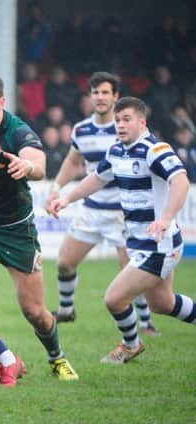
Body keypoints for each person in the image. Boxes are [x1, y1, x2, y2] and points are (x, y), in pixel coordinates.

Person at [0, 69, 78, 381]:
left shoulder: (16, 130)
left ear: (1, 102)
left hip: (15, 229)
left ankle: (56, 357)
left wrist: (27, 165)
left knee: (35, 312)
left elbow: (39, 163)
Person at [51, 96, 194, 364]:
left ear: (142, 122)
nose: (120, 125)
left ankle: (131, 345)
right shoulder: (117, 151)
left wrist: (165, 217)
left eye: (127, 119)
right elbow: (96, 179)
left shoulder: (155, 149)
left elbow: (181, 181)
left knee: (114, 299)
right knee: (162, 303)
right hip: (141, 243)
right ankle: (133, 342)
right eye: (117, 120)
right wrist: (67, 198)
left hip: (158, 245)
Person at [45, 72, 160, 335]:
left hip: (123, 213)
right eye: (95, 92)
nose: (99, 97)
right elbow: (74, 162)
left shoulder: (127, 128)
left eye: (105, 92)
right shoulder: (81, 130)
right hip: (92, 210)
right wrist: (56, 188)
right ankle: (66, 311)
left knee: (131, 272)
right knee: (64, 262)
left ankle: (146, 324)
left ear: (115, 96)